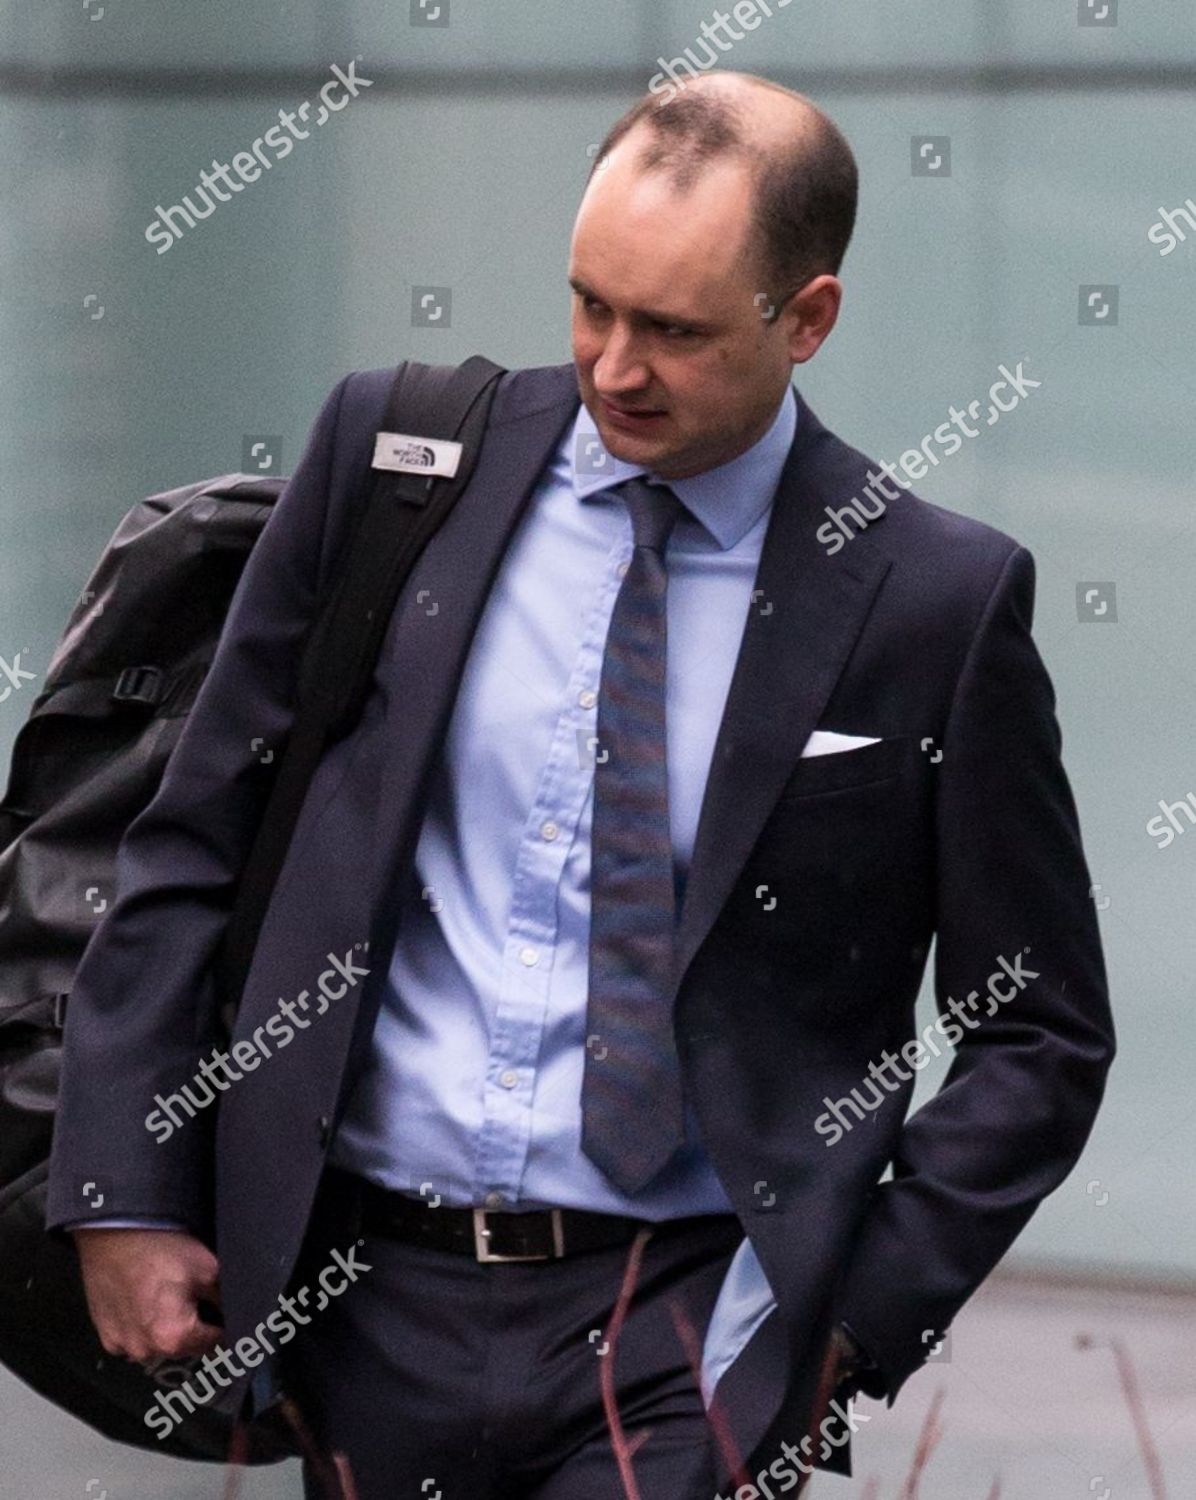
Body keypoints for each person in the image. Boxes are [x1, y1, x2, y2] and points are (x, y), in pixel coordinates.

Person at [46, 70, 1115, 1498]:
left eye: (671, 329)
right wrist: (121, 1189)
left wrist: (846, 1331)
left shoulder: (934, 597)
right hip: (362, 1304)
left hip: (690, 1328)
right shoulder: (398, 467)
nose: (615, 365)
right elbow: (195, 839)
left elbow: (1039, 1029)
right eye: (590, 304)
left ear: (808, 319)